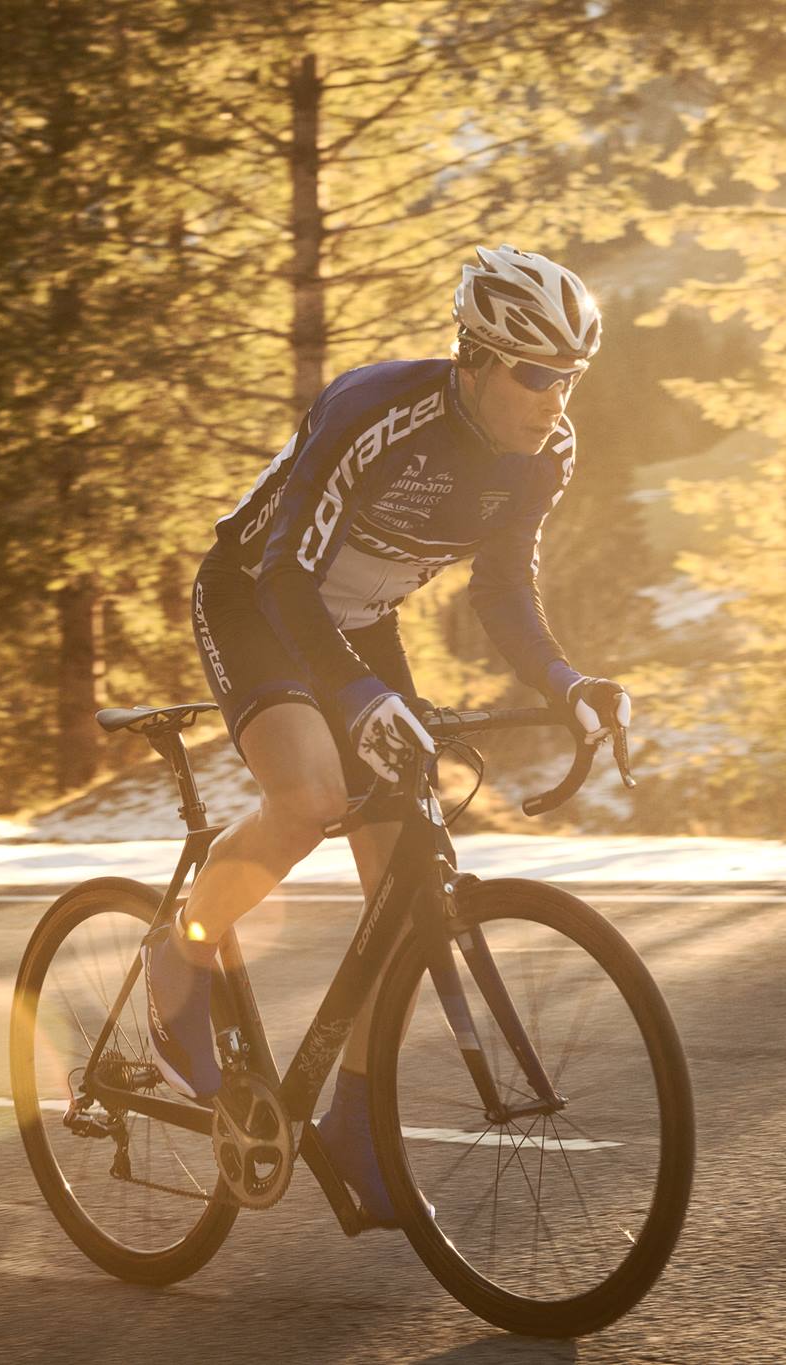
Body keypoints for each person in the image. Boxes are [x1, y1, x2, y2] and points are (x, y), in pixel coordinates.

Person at [145, 245, 631, 1226]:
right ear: (477, 357)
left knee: (403, 896)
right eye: (535, 374)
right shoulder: (374, 410)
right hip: (258, 603)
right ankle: (180, 952)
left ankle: (354, 1121)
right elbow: (284, 575)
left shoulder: (545, 454)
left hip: (362, 625)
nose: (552, 398)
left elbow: (502, 591)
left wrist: (566, 681)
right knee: (313, 794)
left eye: (568, 376)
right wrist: (357, 698)